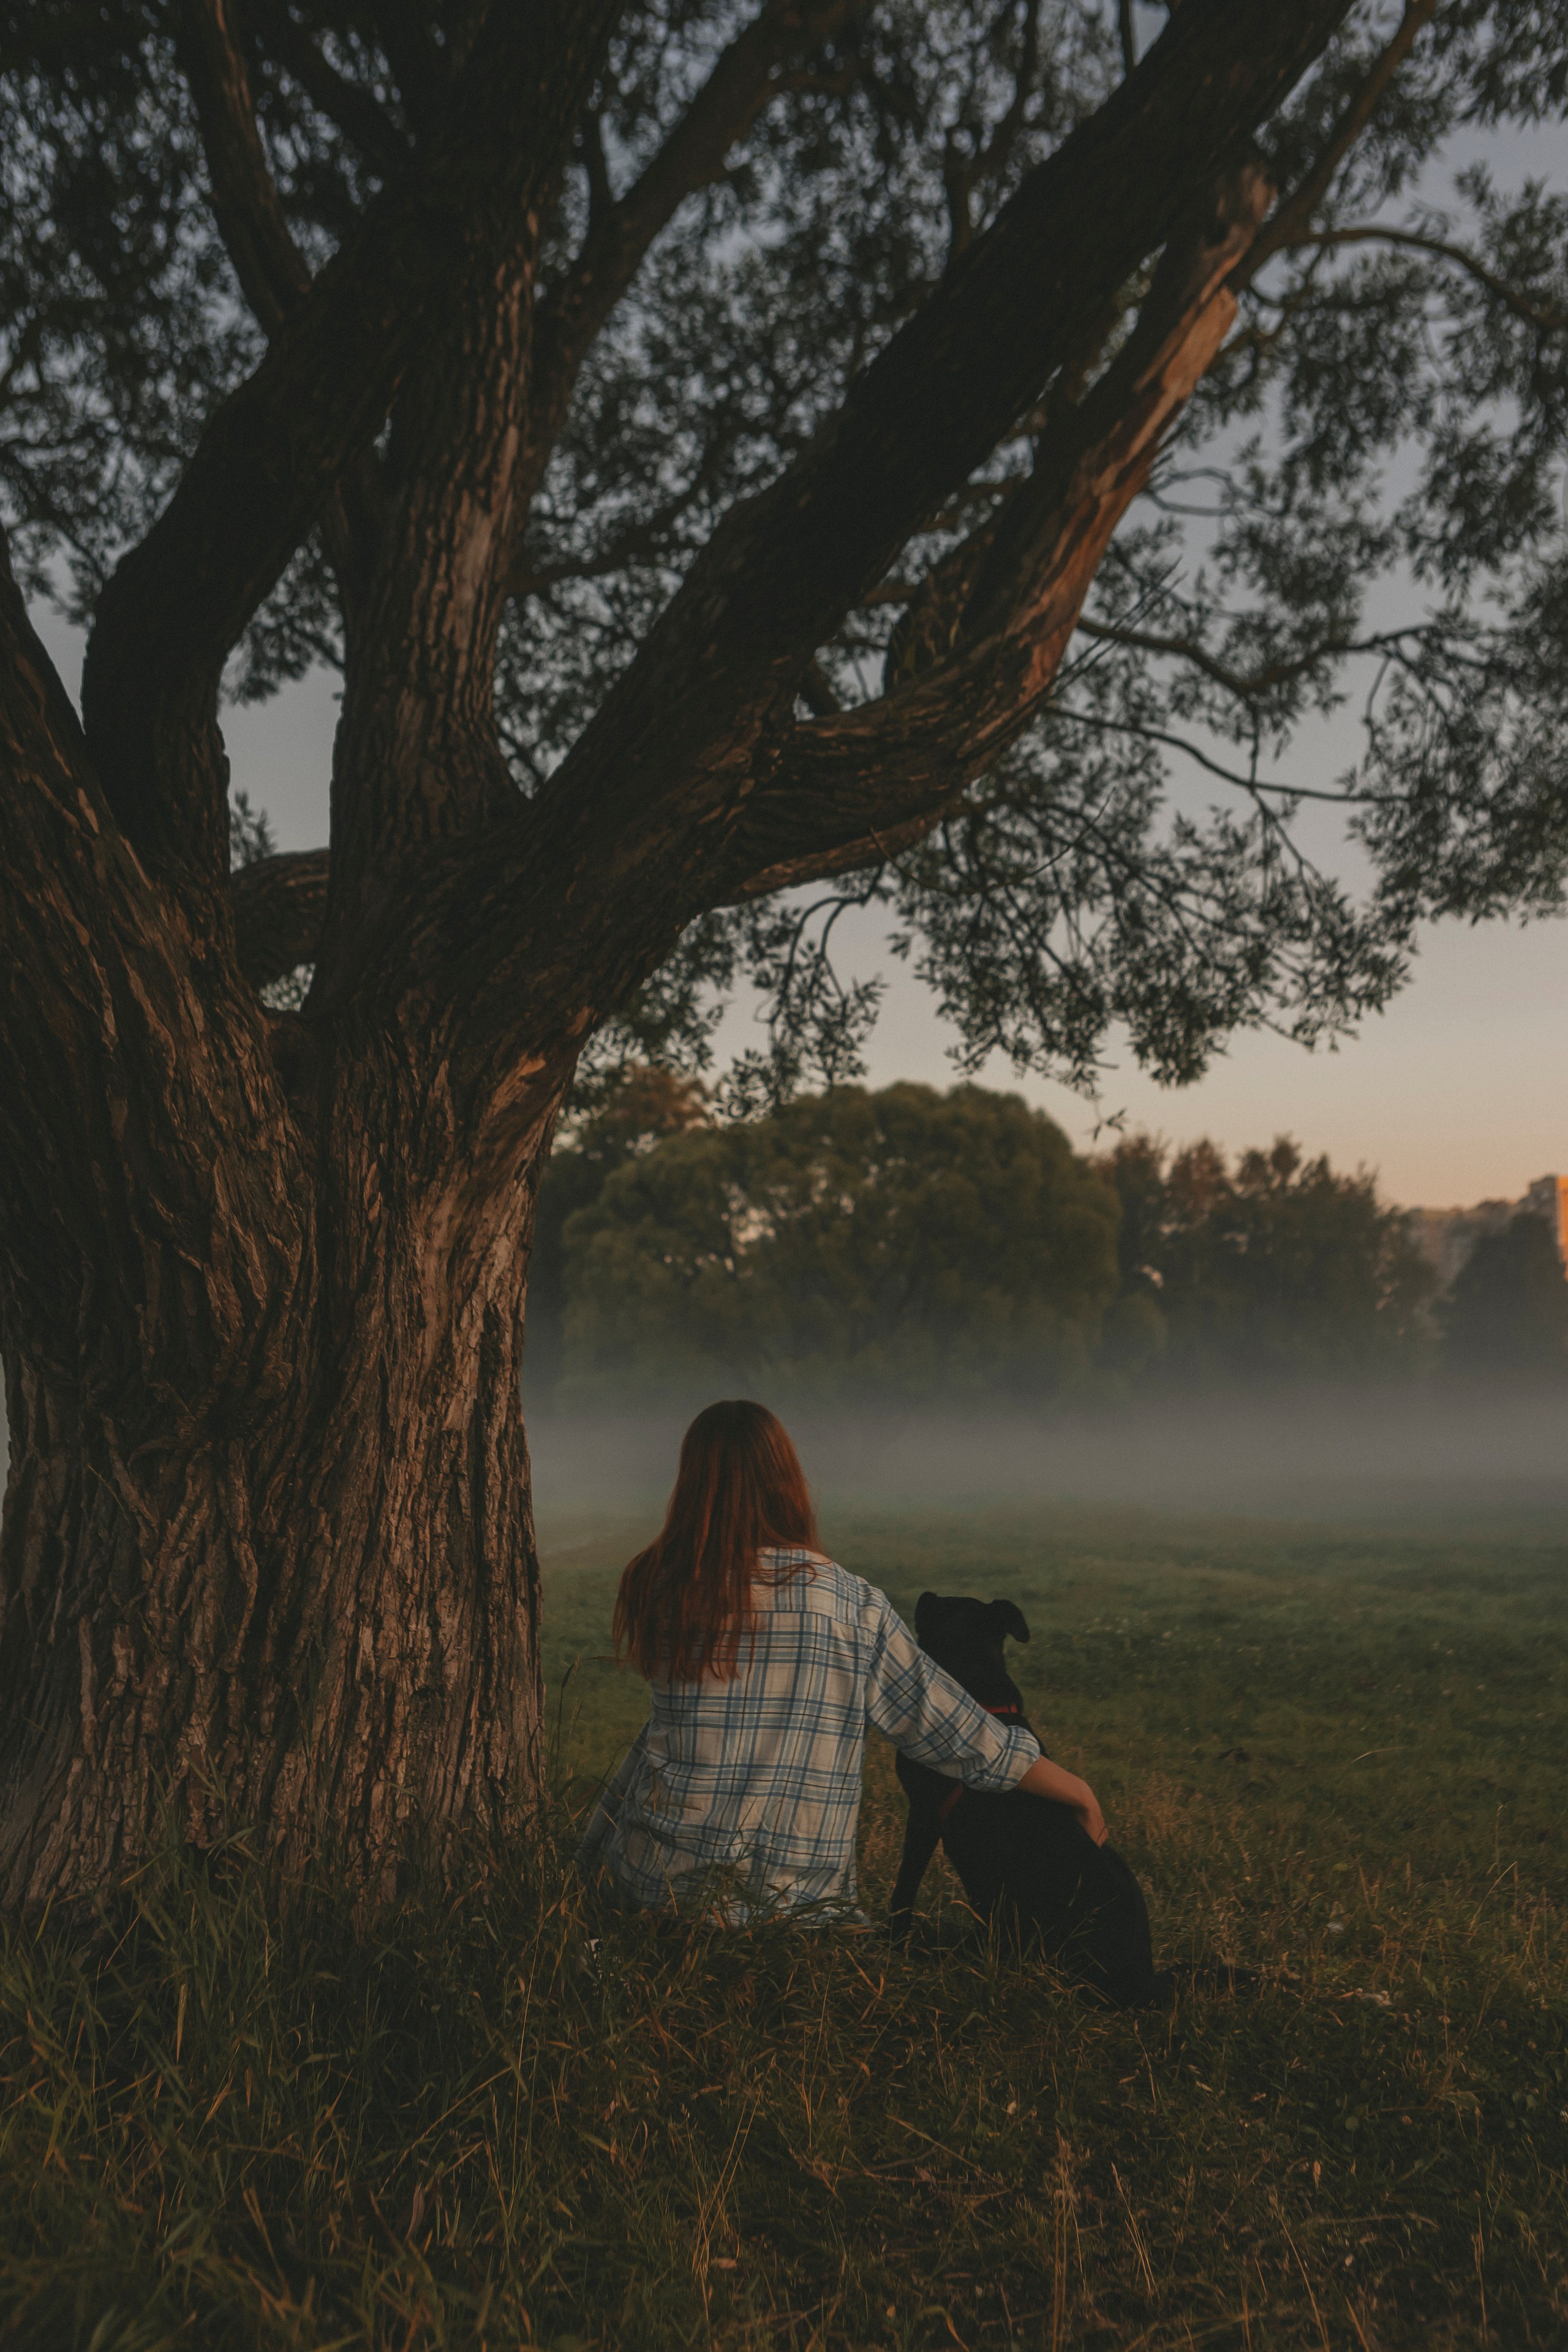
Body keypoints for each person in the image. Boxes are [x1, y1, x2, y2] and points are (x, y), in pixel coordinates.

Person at [573, 1398, 1107, 1923]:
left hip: (655, 1892)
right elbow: (957, 1733)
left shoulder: (660, 1586)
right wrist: (1078, 1792)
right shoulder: (853, 1606)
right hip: (796, 1912)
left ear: (692, 1486)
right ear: (788, 1483)